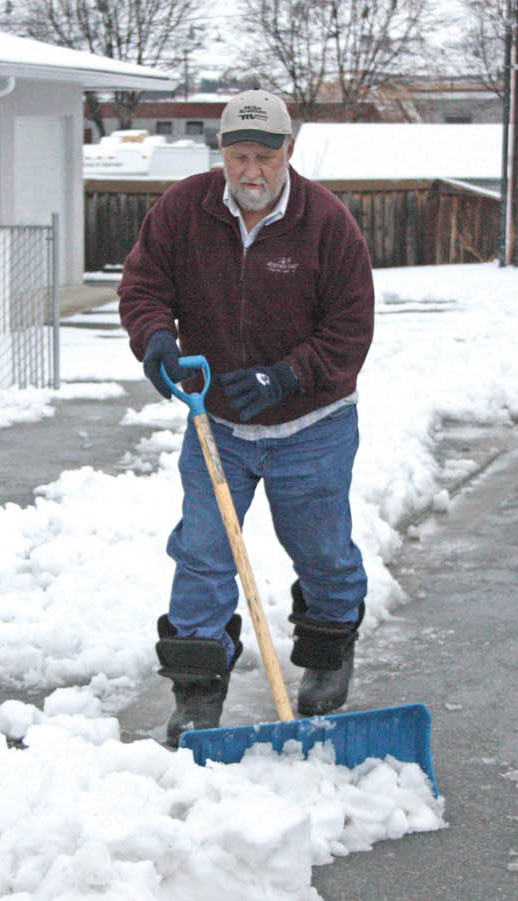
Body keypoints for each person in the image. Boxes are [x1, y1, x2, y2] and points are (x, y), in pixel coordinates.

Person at [118, 90, 376, 745]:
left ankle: (325, 657)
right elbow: (144, 287)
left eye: (265, 155)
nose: (251, 171)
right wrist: (155, 341)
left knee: (320, 552)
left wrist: (287, 374)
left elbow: (350, 330)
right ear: (222, 155)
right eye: (239, 156)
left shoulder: (327, 223)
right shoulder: (184, 210)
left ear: (289, 152)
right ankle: (199, 692)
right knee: (204, 556)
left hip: (312, 427)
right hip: (220, 427)